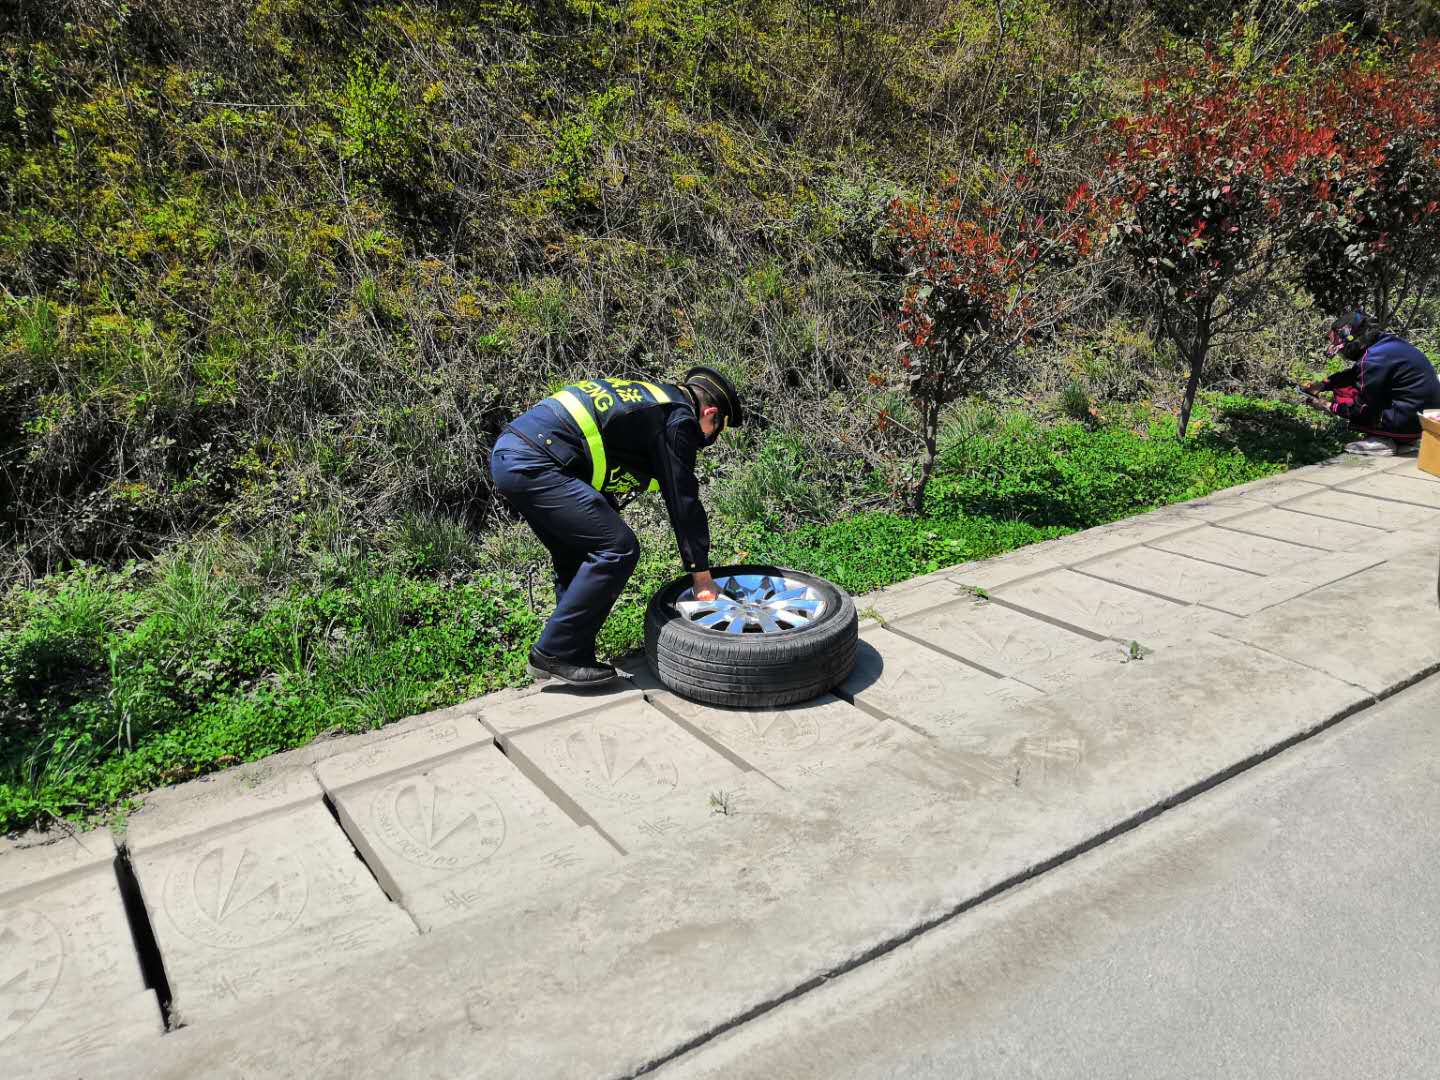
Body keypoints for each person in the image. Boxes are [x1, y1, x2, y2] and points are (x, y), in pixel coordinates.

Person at [489, 367, 744, 687]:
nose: (707, 439)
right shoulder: (678, 418)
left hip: (513, 454)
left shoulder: (650, 397)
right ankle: (555, 651)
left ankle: (570, 654)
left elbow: (602, 443)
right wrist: (701, 577)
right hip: (538, 459)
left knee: (579, 553)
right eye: (714, 430)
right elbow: (683, 502)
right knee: (618, 546)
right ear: (710, 413)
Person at [1301, 311, 1440, 456]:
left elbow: (1359, 408)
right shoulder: (1385, 343)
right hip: (1425, 421)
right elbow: (1355, 374)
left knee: (1352, 395)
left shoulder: (1371, 359)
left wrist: (1328, 406)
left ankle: (1383, 440)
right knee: (1356, 386)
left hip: (1411, 422)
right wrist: (1323, 385)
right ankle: (1403, 440)